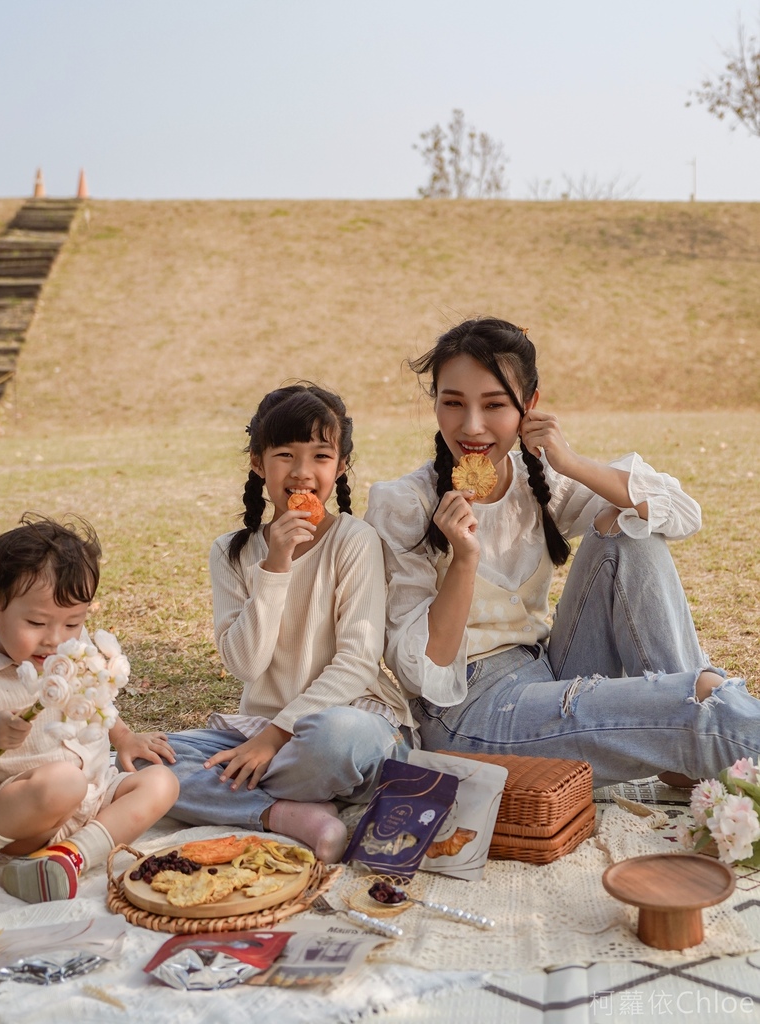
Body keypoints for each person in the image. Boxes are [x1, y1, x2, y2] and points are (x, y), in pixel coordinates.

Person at [364, 317, 759, 788]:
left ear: (529, 407)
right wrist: (463, 560)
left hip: (547, 670)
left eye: (494, 405)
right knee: (702, 700)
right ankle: (691, 731)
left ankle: (686, 743)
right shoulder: (404, 504)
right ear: (436, 405)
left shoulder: (540, 482)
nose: (471, 426)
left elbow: (682, 513)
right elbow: (420, 672)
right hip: (465, 714)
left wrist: (570, 462)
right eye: (453, 403)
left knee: (627, 525)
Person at [158, 384, 413, 863]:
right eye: (285, 455)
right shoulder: (231, 552)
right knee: (144, 767)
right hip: (259, 729)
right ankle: (291, 812)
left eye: (320, 455)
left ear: (339, 468)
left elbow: (357, 663)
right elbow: (245, 664)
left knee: (334, 742)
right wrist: (275, 566)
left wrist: (276, 737)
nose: (301, 472)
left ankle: (250, 793)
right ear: (258, 463)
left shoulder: (354, 541)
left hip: (349, 723)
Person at [0, 514, 179, 902]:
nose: (55, 640)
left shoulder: (72, 653)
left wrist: (125, 737)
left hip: (92, 802)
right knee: (64, 780)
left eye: (73, 623)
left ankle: (69, 857)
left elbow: (95, 703)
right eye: (36, 622)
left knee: (162, 783)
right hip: (20, 819)